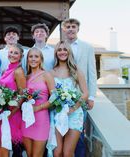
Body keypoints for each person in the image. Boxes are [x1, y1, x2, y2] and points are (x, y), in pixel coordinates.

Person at [61, 18, 97, 157]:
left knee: (79, 133)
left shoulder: (87, 47)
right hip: (62, 96)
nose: (70, 29)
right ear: (64, 30)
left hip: (82, 95)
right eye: (68, 26)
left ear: (77, 29)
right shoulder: (60, 47)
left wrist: (92, 96)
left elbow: (92, 73)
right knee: (62, 131)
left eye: (73, 26)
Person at [47, 41, 88, 157]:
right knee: (57, 152)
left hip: (74, 114)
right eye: (59, 50)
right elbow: (51, 94)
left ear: (69, 52)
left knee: (68, 152)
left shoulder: (76, 71)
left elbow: (85, 93)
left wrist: (74, 108)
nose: (62, 52)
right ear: (56, 53)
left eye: (65, 49)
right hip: (57, 114)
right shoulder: (51, 72)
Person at [21, 47, 55, 157]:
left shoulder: (47, 75)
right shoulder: (25, 77)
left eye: (36, 56)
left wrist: (37, 108)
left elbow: (54, 98)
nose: (33, 59)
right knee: (29, 154)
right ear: (27, 60)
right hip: (26, 120)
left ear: (41, 59)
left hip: (41, 119)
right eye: (30, 56)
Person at [0, 44, 26, 157]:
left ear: (20, 56)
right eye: (11, 52)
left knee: (15, 147)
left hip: (13, 114)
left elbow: (22, 95)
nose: (12, 55)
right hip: (3, 112)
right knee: (3, 145)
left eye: (16, 53)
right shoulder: (6, 69)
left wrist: (11, 113)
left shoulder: (18, 71)